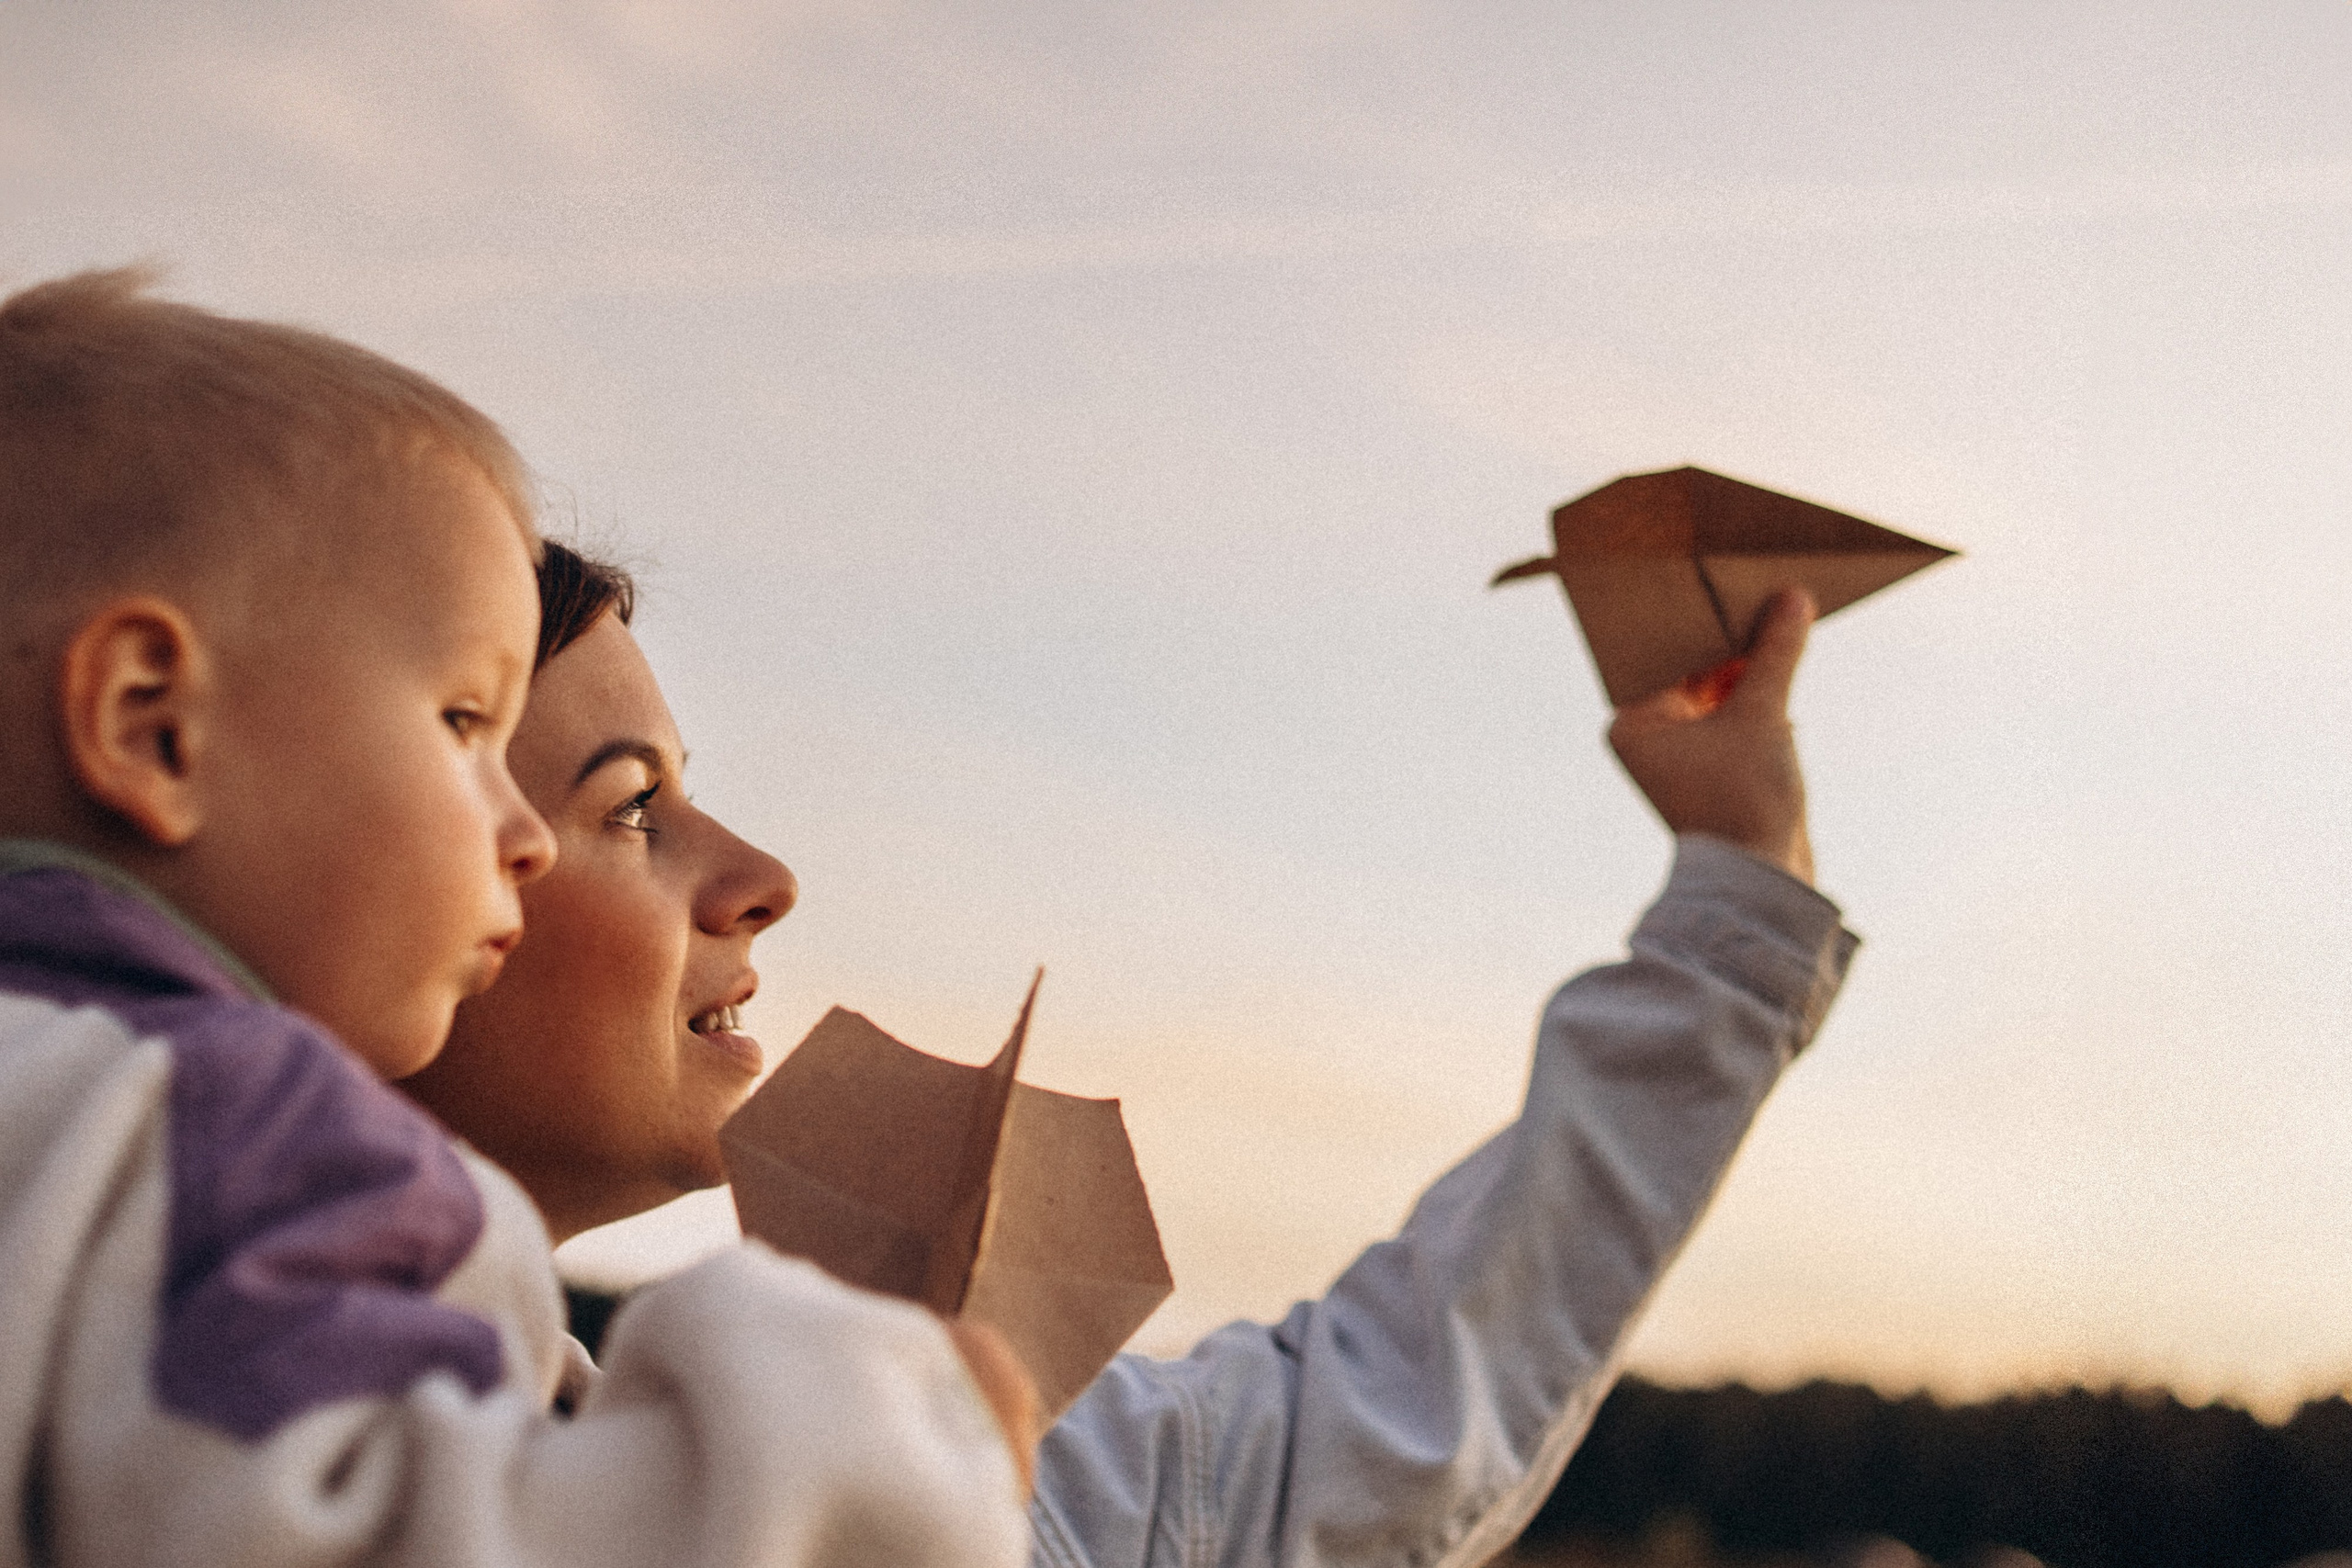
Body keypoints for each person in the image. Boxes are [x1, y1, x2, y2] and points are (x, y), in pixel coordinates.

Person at [403, 539, 1860, 1568]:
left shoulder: (887, 1475)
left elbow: (1354, 1432)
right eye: (632, 807)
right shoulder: (238, 1491)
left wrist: (1734, 889)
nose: (765, 874)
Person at [0, 270, 1033, 1568]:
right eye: (463, 728)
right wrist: (882, 1448)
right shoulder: (220, 1127)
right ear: (153, 723)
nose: (523, 839)